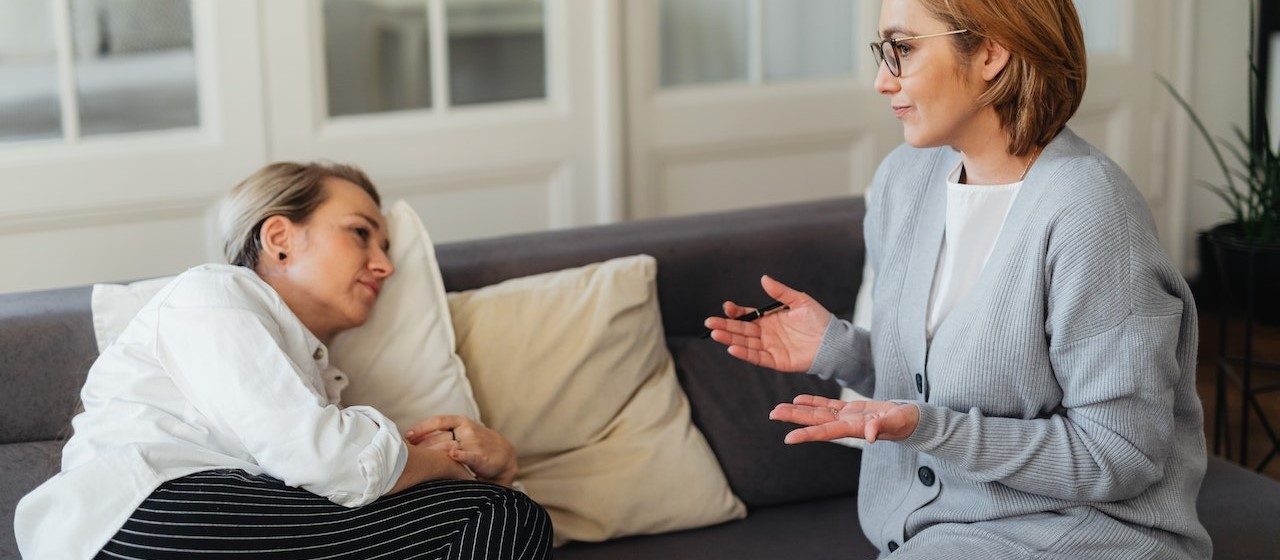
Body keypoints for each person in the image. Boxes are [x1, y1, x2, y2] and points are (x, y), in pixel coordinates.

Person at [704, 0, 1212, 558]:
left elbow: (1120, 455)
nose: (881, 80)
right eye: (883, 52)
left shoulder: (1092, 213)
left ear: (993, 51)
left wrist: (930, 428)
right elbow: (944, 391)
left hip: (1088, 535)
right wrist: (840, 350)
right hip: (942, 537)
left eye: (903, 48)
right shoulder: (904, 180)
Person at [15, 162, 553, 559]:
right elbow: (322, 455)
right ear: (279, 239)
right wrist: (454, 464)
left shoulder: (320, 382)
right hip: (141, 517)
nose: (385, 265)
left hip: (226, 520)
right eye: (361, 233)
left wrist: (497, 469)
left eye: (386, 246)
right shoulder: (212, 293)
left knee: (500, 522)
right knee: (497, 515)